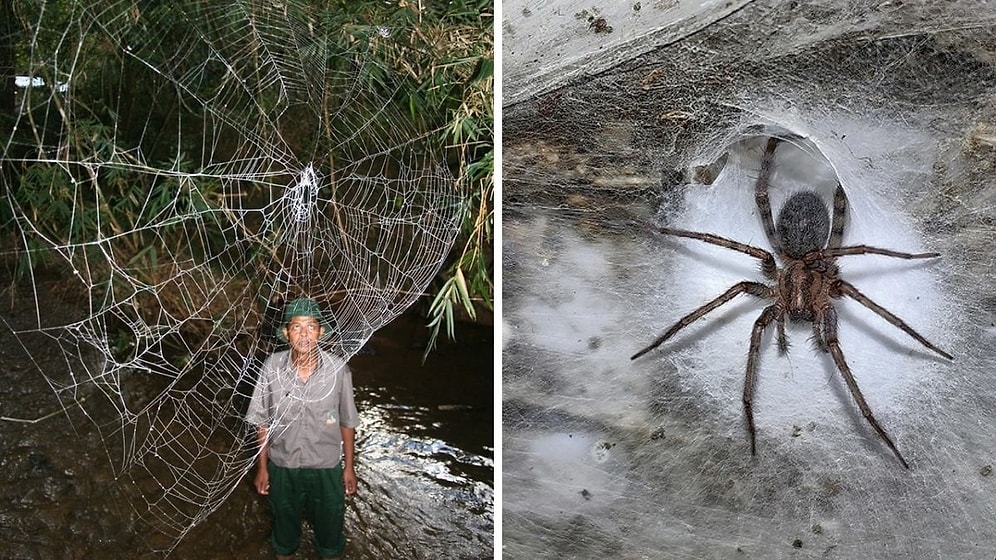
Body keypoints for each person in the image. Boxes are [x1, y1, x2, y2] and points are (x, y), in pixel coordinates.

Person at [247, 297, 359, 560]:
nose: (305, 334)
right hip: (283, 466)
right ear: (287, 333)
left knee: (330, 538)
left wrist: (349, 466)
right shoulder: (271, 367)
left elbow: (347, 420)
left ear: (321, 332)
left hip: (326, 468)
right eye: (297, 327)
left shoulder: (338, 370)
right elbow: (261, 420)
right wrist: (262, 468)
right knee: (284, 539)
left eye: (311, 326)